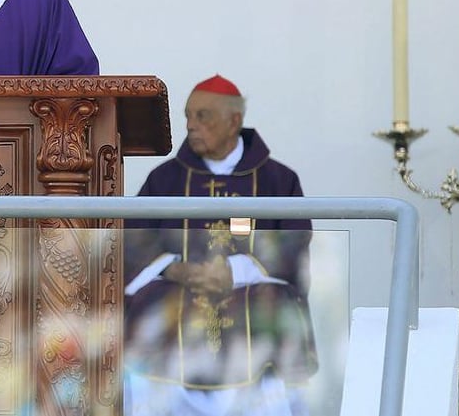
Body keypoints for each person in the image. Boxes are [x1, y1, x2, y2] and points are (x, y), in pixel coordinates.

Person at [123, 74, 318, 416]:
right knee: (150, 311)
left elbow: (294, 245)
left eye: (203, 116)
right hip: (177, 316)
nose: (191, 126)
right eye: (188, 116)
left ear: (234, 121)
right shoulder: (165, 179)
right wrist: (175, 267)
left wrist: (235, 270)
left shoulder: (278, 180)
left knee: (274, 310)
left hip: (253, 312)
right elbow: (133, 241)